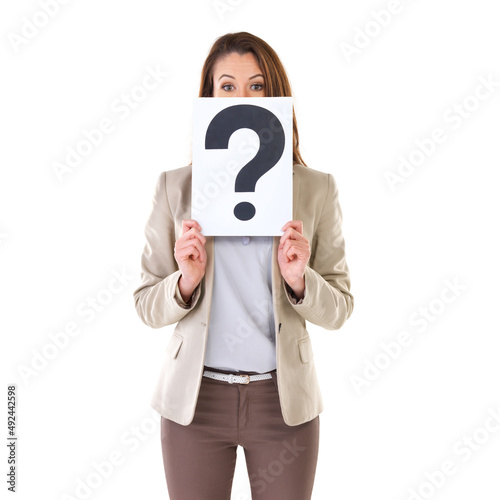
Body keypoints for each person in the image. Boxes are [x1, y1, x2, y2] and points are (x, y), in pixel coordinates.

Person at [133, 31, 354, 500]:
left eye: (256, 86)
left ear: (273, 96)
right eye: (227, 86)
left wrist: (300, 280)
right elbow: (146, 306)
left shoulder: (316, 189)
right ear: (209, 98)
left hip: (283, 405)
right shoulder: (176, 188)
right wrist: (184, 283)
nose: (242, 96)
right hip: (196, 403)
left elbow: (339, 309)